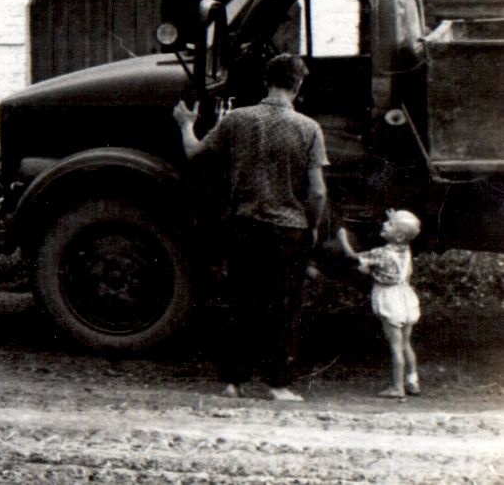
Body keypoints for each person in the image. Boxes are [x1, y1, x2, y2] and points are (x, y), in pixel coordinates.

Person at [172, 53, 329, 401]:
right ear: (298, 86)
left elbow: (195, 154)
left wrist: (186, 124)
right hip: (290, 229)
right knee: (284, 308)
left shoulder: (237, 120)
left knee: (241, 304)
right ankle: (278, 385)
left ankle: (233, 382)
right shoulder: (309, 129)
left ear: (266, 81)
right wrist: (312, 226)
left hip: (244, 224)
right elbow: (317, 191)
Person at [337, 210, 422, 398]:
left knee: (395, 346)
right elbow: (387, 272)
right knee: (406, 344)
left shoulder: (380, 253)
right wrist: (396, 218)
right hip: (406, 297)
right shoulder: (406, 250)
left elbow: (352, 256)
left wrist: (343, 238)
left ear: (399, 235)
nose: (384, 225)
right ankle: (412, 381)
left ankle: (397, 387)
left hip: (390, 299)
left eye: (389, 224)